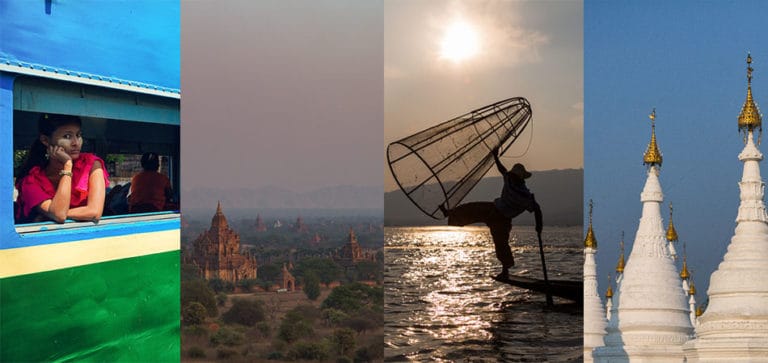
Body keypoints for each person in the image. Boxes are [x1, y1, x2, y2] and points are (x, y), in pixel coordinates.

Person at [440, 147, 542, 280]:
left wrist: (538, 226)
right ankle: (450, 213)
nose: (511, 176)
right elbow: (502, 170)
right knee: (472, 208)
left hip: (502, 219)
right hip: (493, 209)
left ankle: (505, 271)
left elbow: (537, 209)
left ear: (519, 178)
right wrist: (495, 157)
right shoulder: (510, 180)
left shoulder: (524, 195)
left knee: (501, 244)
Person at [15, 113, 109, 224]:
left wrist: (50, 215)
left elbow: (94, 212)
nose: (76, 143)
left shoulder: (91, 165)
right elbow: (59, 215)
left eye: (78, 135)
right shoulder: (30, 182)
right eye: (67, 137)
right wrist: (68, 166)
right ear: (45, 140)